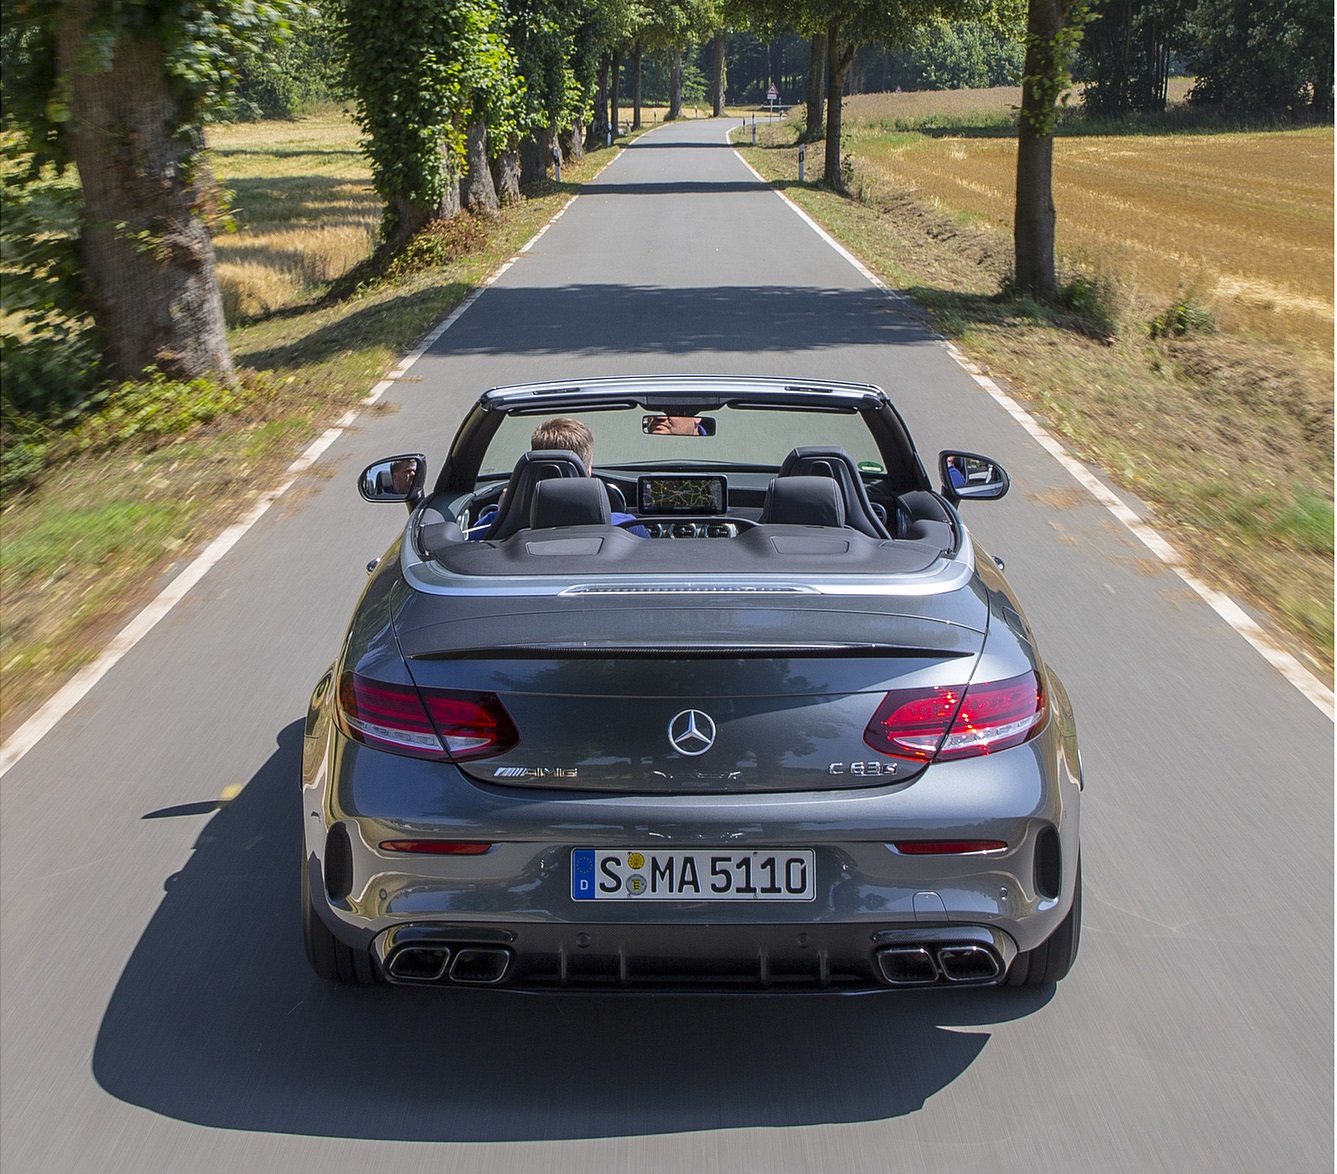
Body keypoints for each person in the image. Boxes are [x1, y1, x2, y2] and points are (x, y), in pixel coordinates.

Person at [467, 417, 645, 538]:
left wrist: (505, 512)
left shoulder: (493, 524)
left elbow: (466, 554)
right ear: (588, 471)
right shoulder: (626, 528)